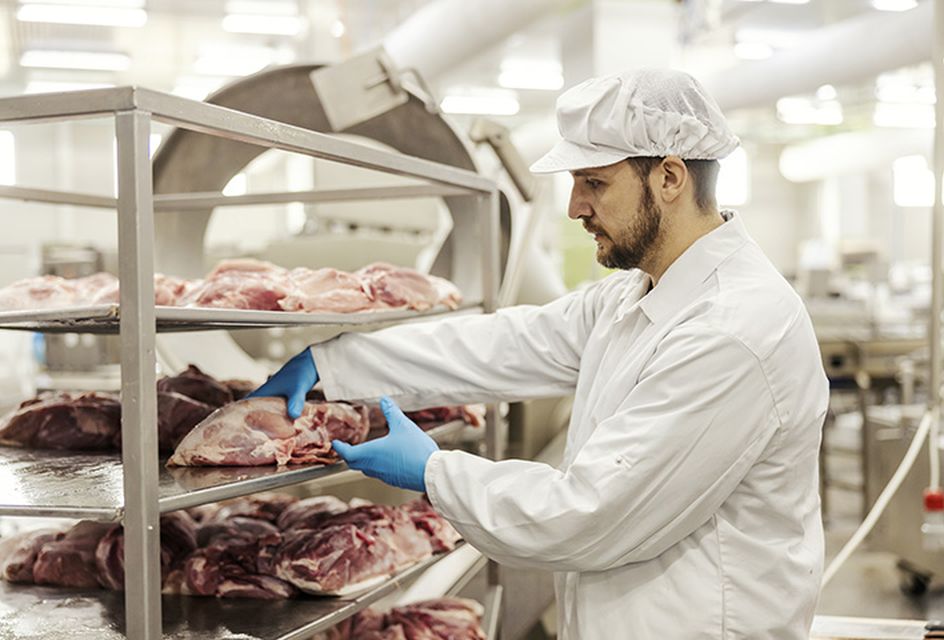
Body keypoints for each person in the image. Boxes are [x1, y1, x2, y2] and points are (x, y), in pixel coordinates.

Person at [250, 68, 828, 639]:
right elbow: (507, 343)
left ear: (670, 177)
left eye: (594, 183)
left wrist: (435, 472)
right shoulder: (639, 292)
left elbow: (591, 515)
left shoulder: (732, 329)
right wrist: (335, 364)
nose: (575, 207)